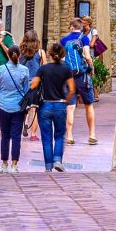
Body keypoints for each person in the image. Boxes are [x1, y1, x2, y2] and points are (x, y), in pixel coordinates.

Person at [33, 42, 77, 172]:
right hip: (59, 104)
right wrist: (66, 101)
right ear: (62, 54)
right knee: (59, 135)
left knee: (46, 138)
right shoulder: (66, 69)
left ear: (50, 54)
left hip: (45, 105)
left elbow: (33, 85)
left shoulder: (43, 69)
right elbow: (72, 90)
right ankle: (57, 160)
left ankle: (48, 167)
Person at [0, 41, 34, 171]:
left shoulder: (1, 69)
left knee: (5, 136)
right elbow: (26, 89)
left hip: (3, 105)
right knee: (16, 137)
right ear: (19, 55)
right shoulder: (25, 70)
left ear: (8, 55)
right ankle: (14, 165)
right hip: (18, 106)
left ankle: (4, 164)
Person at [64, 17, 104, 147]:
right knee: (88, 105)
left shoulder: (64, 40)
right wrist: (91, 69)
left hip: (68, 77)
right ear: (81, 28)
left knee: (70, 107)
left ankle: (69, 135)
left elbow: (61, 58)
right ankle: (92, 134)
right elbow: (87, 56)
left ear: (71, 27)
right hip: (82, 76)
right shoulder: (84, 38)